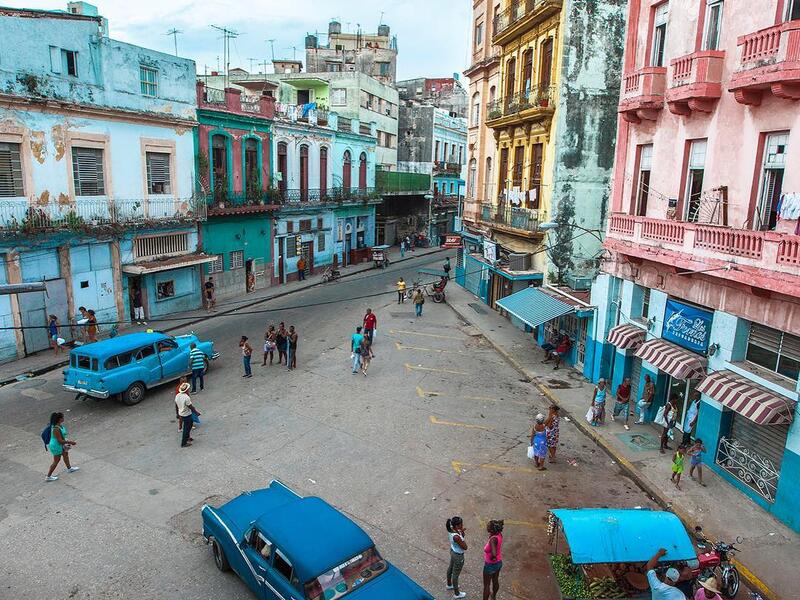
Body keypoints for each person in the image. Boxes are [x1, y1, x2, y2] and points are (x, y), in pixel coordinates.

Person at [45, 412, 79, 481]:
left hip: (60, 444)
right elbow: (60, 441)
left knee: (65, 455)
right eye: (62, 417)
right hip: (56, 446)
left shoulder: (59, 425)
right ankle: (48, 476)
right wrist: (71, 442)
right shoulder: (56, 428)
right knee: (56, 460)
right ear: (59, 419)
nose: (63, 418)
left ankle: (69, 468)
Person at [446, 516, 468, 599]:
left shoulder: (451, 530)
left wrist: (461, 533)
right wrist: (461, 535)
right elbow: (465, 547)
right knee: (455, 574)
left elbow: (461, 537)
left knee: (450, 568)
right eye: (461, 524)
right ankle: (457, 593)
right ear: (457, 525)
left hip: (453, 551)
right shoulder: (456, 536)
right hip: (458, 556)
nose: (462, 525)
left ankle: (449, 584)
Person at [482, 520, 504, 600]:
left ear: (491, 530)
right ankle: (494, 596)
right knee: (495, 580)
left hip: (490, 565)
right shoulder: (499, 535)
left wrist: (492, 557)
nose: (487, 526)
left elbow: (494, 553)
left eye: (488, 526)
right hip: (499, 562)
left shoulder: (493, 539)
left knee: (487, 585)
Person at [175, 382, 197, 448]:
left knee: (188, 426)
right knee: (187, 428)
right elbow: (190, 406)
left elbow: (176, 405)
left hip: (181, 413)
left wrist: (177, 413)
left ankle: (187, 437)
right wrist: (196, 412)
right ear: (187, 390)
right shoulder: (186, 397)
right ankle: (184, 443)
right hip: (187, 414)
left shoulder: (177, 395)